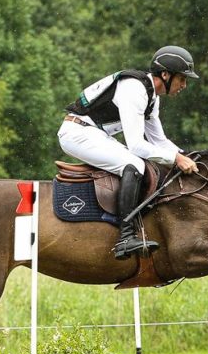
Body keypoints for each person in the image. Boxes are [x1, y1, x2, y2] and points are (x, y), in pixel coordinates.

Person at [58, 45, 200, 260]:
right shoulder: (134, 89)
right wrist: (176, 159)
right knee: (134, 165)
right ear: (165, 75)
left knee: (144, 163)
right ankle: (125, 237)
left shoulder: (152, 97)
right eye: (182, 78)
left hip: (94, 133)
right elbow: (136, 145)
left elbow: (158, 141)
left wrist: (187, 156)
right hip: (77, 132)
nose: (184, 85)